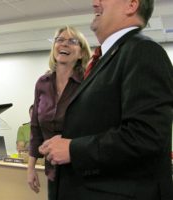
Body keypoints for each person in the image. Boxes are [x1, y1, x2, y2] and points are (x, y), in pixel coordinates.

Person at [39, 0, 173, 199]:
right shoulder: (108, 58)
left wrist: (73, 149)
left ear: (131, 5)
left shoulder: (143, 51)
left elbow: (147, 136)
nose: (95, 3)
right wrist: (65, 141)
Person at [28, 26, 91, 199]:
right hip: (52, 171)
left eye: (72, 41)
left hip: (82, 172)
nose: (65, 44)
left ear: (81, 53)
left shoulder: (89, 82)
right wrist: (31, 167)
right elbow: (35, 128)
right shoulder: (42, 83)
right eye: (60, 40)